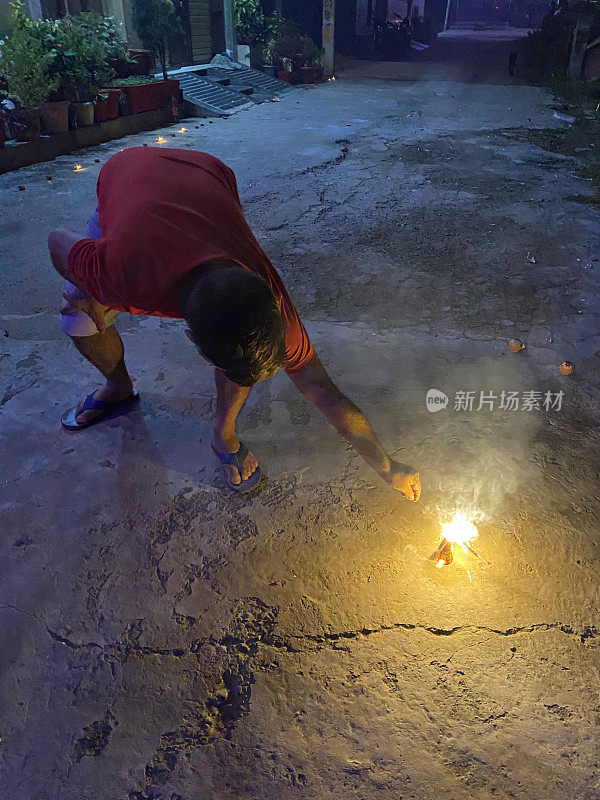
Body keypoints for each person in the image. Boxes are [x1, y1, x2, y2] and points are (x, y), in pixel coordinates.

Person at [48, 147, 421, 500]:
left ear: (272, 303)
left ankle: (223, 435)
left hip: (206, 172)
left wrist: (387, 466)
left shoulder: (265, 299)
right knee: (78, 318)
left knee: (236, 350)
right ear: (191, 337)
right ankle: (117, 387)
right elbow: (56, 240)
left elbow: (322, 389)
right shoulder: (120, 274)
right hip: (129, 170)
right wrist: (85, 286)